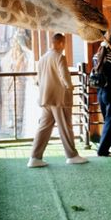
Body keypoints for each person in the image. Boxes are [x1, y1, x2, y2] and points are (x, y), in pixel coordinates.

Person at [28, 33, 88, 167]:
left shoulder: (43, 58)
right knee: (66, 127)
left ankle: (34, 158)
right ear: (61, 43)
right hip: (59, 98)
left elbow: (38, 80)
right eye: (64, 43)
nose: (64, 46)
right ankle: (72, 156)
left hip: (45, 98)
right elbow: (64, 76)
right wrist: (70, 87)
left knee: (43, 128)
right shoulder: (60, 57)